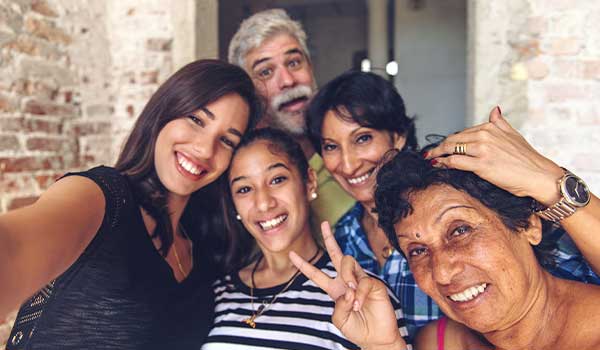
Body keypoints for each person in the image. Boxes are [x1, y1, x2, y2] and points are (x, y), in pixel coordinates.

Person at [306, 72, 600, 339]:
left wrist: (549, 182)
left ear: (398, 135)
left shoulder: (476, 194)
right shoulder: (343, 238)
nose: (347, 163)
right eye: (331, 146)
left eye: (459, 231)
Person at [1, 59, 261, 349]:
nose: (205, 148)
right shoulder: (99, 198)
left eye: (226, 140)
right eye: (197, 119)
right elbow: (13, 248)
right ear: (165, 112)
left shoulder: (205, 248)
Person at [291, 147, 600, 350]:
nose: (441, 271)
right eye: (418, 251)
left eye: (460, 230)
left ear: (529, 225)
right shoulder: (438, 343)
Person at [201, 128, 410, 350]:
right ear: (234, 205)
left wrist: (384, 345)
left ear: (309, 182)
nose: (263, 202)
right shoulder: (218, 293)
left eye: (277, 179)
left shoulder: (362, 294)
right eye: (244, 189)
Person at [228, 8, 354, 227]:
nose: (287, 80)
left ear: (311, 68)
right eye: (266, 72)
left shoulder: (356, 159)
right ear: (249, 93)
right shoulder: (241, 180)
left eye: (294, 62)